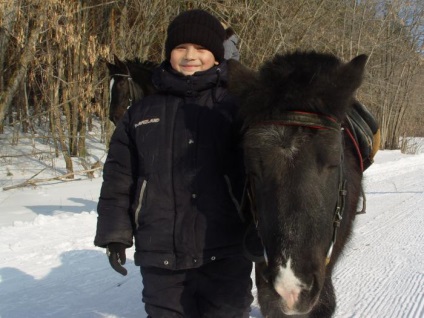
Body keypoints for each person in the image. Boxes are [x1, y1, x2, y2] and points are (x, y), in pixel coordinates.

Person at [94, 9, 253, 317]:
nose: (190, 55)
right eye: (181, 47)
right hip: (161, 258)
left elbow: (263, 175)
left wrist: (263, 229)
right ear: (169, 53)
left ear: (218, 57)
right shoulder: (140, 113)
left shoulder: (237, 108)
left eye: (201, 48)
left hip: (225, 251)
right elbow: (119, 177)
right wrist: (114, 234)